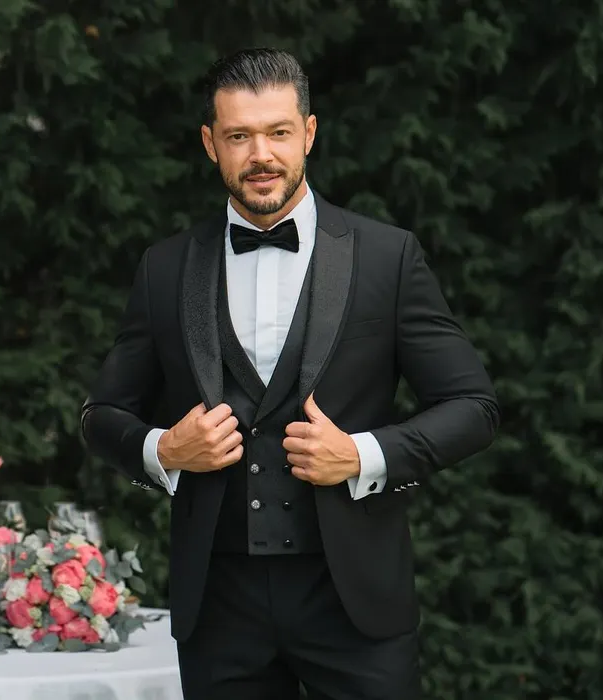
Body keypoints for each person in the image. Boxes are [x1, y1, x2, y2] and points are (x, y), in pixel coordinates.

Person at [80, 48, 499, 699]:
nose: (261, 155)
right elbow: (100, 415)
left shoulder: (387, 257)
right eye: (238, 137)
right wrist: (163, 450)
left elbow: (473, 406)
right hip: (219, 602)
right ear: (210, 144)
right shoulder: (164, 268)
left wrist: (362, 455)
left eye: (277, 132)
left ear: (308, 132)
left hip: (355, 600)